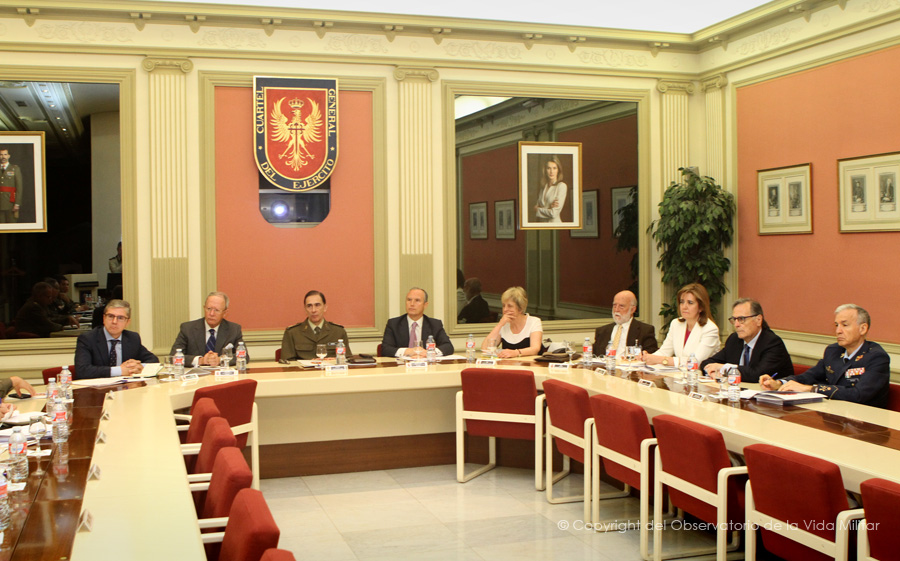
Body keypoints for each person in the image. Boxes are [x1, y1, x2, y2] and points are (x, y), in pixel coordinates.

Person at [760, 304, 889, 407]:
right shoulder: (833, 351)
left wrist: (812, 389)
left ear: (863, 329)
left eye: (845, 325)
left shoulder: (876, 357)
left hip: (866, 423)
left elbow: (858, 395)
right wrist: (779, 383)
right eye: (836, 325)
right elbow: (809, 376)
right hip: (835, 413)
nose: (838, 331)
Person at [701, 298, 793, 383]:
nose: (736, 324)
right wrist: (712, 372)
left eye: (741, 319)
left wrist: (724, 368)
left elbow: (756, 375)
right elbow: (706, 363)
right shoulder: (734, 340)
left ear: (758, 320)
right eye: (734, 319)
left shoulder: (772, 343)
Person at [74, 299, 158, 379]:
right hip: (97, 390)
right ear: (104, 318)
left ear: (127, 322)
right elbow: (82, 370)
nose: (114, 321)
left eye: (120, 318)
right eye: (110, 316)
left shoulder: (132, 338)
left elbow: (153, 360)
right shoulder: (88, 339)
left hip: (125, 389)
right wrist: (120, 370)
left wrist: (137, 367)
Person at [643, 283, 719, 365]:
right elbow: (664, 352)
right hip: (680, 375)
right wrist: (646, 357)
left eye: (690, 303)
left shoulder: (710, 329)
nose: (684, 307)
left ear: (701, 307)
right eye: (682, 302)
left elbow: (695, 362)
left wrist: (661, 360)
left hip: (701, 375)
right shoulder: (676, 323)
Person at [171, 291, 246, 366]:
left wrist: (220, 360)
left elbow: (244, 357)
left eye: (216, 310)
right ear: (204, 308)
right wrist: (200, 360)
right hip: (196, 376)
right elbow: (173, 356)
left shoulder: (233, 329)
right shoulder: (188, 328)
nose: (211, 314)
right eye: (209, 309)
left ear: (225, 313)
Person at [382, 287, 453, 358]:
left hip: (427, 366)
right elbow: (385, 349)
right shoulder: (393, 324)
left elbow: (448, 347)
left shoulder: (435, 324)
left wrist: (429, 352)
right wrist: (409, 351)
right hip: (401, 366)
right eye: (409, 300)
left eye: (417, 300)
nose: (412, 304)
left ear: (425, 305)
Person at [281, 290, 351, 360]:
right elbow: (287, 363)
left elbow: (347, 359)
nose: (313, 310)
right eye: (309, 306)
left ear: (325, 307)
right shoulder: (292, 333)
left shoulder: (338, 332)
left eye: (317, 305)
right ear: (305, 309)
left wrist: (335, 361)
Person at [481, 286, 543, 358]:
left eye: (510, 306)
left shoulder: (534, 322)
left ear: (520, 308)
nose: (505, 309)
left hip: (529, 366)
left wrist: (515, 353)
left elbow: (535, 349)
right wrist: (500, 324)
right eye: (504, 306)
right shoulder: (503, 325)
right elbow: (485, 349)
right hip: (507, 366)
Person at [594, 290, 658, 358]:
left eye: (621, 306)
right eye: (614, 306)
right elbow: (594, 356)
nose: (616, 310)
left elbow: (651, 356)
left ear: (632, 309)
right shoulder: (602, 331)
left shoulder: (645, 331)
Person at [533, 155, 567, 223]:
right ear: (545, 170)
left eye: (554, 168)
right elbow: (534, 210)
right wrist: (548, 208)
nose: (551, 171)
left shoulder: (561, 186)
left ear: (558, 170)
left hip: (555, 225)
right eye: (549, 168)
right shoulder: (543, 187)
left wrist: (538, 210)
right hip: (542, 226)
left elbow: (553, 213)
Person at [0, 148, 22, 223]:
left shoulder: (15, 169)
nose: (3, 156)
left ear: (9, 156)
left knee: (12, 227)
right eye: (1, 154)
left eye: (5, 154)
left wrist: (17, 203)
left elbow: (19, 187)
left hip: (11, 203)